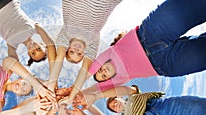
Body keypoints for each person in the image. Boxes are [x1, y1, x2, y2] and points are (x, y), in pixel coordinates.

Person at [76, 0, 206, 95]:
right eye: (104, 76)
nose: (102, 71)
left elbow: (88, 70)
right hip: (166, 64)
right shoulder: (119, 79)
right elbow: (96, 89)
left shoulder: (109, 53)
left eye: (99, 70)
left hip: (151, 34)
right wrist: (80, 94)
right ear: (110, 80)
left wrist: (74, 89)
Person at [50, 0, 122, 105]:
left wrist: (52, 82)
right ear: (85, 52)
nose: (76, 50)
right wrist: (72, 95)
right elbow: (84, 70)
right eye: (79, 54)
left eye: (71, 51)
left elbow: (59, 57)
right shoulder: (92, 41)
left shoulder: (67, 33)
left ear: (67, 47)